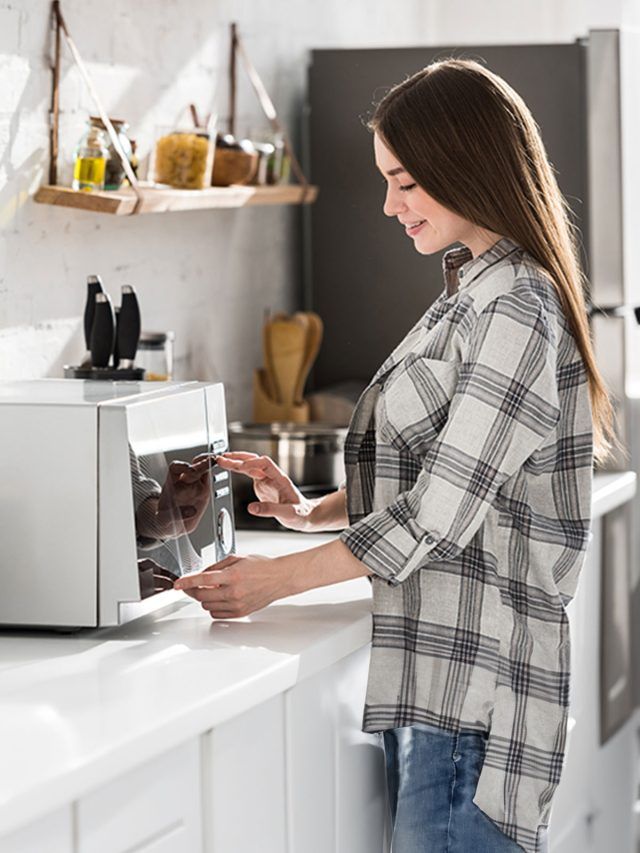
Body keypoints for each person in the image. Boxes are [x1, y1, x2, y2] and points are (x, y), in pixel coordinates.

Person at [174, 58, 618, 853]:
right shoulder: (469, 289)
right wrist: (312, 510)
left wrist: (272, 581)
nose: (388, 204)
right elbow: (450, 465)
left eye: (406, 181)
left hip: (479, 702)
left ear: (465, 164)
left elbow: (444, 512)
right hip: (434, 690)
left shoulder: (516, 307)